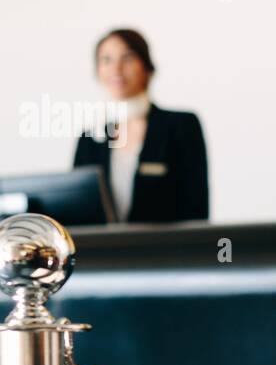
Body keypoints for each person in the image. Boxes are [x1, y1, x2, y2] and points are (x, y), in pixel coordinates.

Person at [73, 28, 209, 223]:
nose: (116, 69)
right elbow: (77, 208)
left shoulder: (181, 126)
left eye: (127, 58)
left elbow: (196, 211)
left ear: (147, 67)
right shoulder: (89, 139)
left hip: (166, 250)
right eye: (106, 60)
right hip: (103, 251)